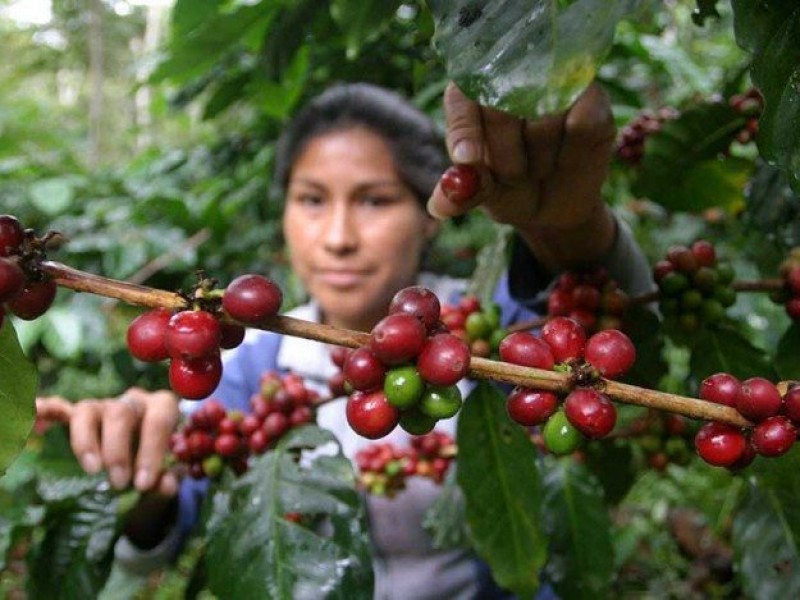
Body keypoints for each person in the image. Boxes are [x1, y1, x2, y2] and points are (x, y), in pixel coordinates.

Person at [37, 81, 653, 597]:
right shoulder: (251, 363)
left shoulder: (485, 331)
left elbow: (608, 334)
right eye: (311, 199)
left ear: (428, 214)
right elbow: (149, 553)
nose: (337, 237)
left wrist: (568, 225)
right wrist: (140, 472)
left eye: (375, 200)